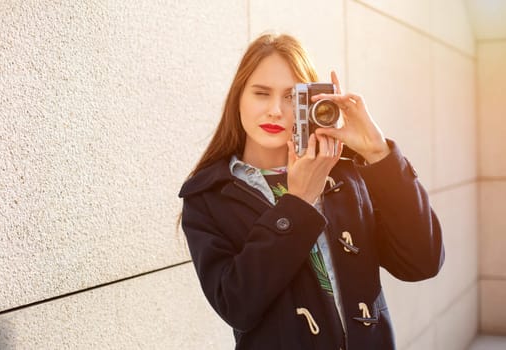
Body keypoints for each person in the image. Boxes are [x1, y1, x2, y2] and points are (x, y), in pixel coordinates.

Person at [178, 33, 444, 350]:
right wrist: (298, 203)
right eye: (261, 93)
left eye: (292, 97)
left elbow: (422, 262)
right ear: (238, 99)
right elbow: (237, 305)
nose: (276, 110)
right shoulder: (209, 196)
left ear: (311, 103)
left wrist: (379, 154)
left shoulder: (345, 176)